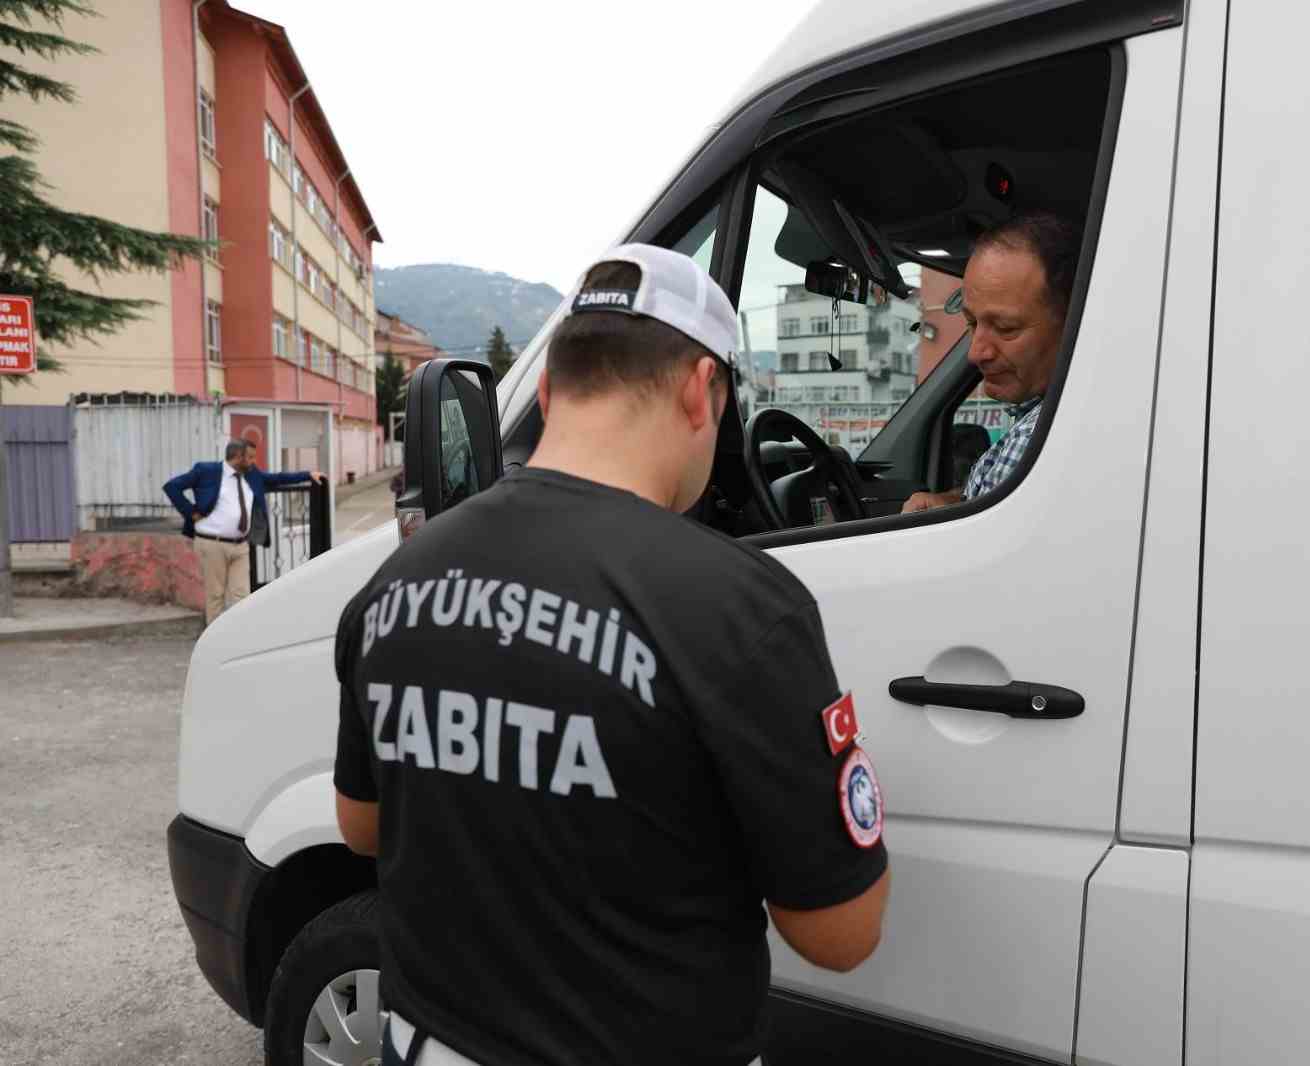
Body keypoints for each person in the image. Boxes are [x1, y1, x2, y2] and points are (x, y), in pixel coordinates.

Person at [333, 244, 890, 1066]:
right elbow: (842, 934)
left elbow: (362, 827)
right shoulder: (743, 608)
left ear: (552, 388)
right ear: (703, 390)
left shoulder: (392, 582)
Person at [903, 211, 1079, 513]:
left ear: (1075, 322)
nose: (976, 353)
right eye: (971, 322)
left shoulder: (1037, 438)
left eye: (1006, 328)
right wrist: (958, 501)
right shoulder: (1049, 419)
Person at [162, 441, 324, 624]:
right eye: (251, 457)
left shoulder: (252, 475)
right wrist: (190, 511)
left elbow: (277, 478)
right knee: (216, 595)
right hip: (212, 543)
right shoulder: (207, 471)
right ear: (238, 457)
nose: (254, 461)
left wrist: (308, 475)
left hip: (241, 545)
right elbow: (172, 487)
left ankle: (239, 638)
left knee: (242, 596)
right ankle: (216, 644)